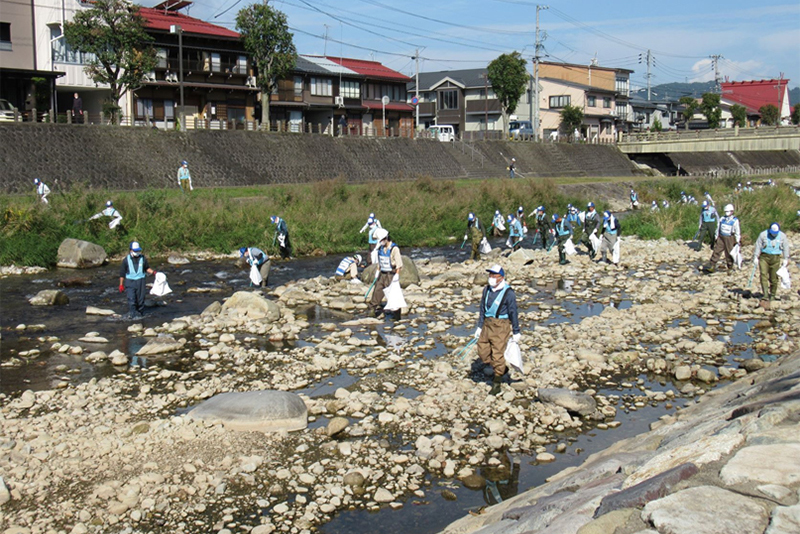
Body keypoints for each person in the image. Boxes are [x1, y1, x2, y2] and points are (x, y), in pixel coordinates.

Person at [474, 264, 520, 396]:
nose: (491, 278)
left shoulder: (508, 293)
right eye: (490, 275)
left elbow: (513, 312)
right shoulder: (486, 290)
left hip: (501, 325)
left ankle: (497, 384)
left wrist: (516, 331)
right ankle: (502, 369)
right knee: (482, 351)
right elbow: (482, 308)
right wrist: (479, 326)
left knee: (497, 354)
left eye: (494, 275)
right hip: (487, 324)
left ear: (501, 278)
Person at [753, 223, 791, 304]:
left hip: (776, 258)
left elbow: (786, 247)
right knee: (763, 274)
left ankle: (773, 295)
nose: (774, 235)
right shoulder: (763, 235)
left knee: (774, 278)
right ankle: (765, 295)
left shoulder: (782, 236)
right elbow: (758, 245)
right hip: (764, 257)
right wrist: (756, 257)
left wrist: (786, 258)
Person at [369, 228, 403, 318]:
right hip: (382, 274)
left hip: (391, 274)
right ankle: (372, 310)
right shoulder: (380, 249)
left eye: (380, 240)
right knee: (377, 291)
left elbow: (399, 264)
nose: (380, 242)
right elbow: (379, 263)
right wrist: (377, 272)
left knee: (393, 295)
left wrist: (397, 275)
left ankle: (397, 316)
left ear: (386, 238)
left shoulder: (394, 249)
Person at [119, 241, 156, 320]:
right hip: (130, 282)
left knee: (141, 301)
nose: (137, 252)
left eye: (138, 250)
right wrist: (121, 284)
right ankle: (133, 316)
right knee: (131, 300)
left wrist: (154, 273)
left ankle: (141, 316)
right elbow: (122, 274)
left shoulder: (143, 258)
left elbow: (147, 268)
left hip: (140, 282)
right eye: (135, 251)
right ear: (131, 250)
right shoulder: (126, 260)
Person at [707, 204, 740, 273]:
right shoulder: (722, 219)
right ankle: (712, 265)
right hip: (721, 237)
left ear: (732, 212)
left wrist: (737, 241)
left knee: (729, 253)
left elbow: (737, 231)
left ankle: (730, 267)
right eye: (726, 211)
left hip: (730, 238)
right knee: (717, 251)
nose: (727, 213)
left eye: (728, 211)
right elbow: (718, 228)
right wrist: (716, 237)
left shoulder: (735, 221)